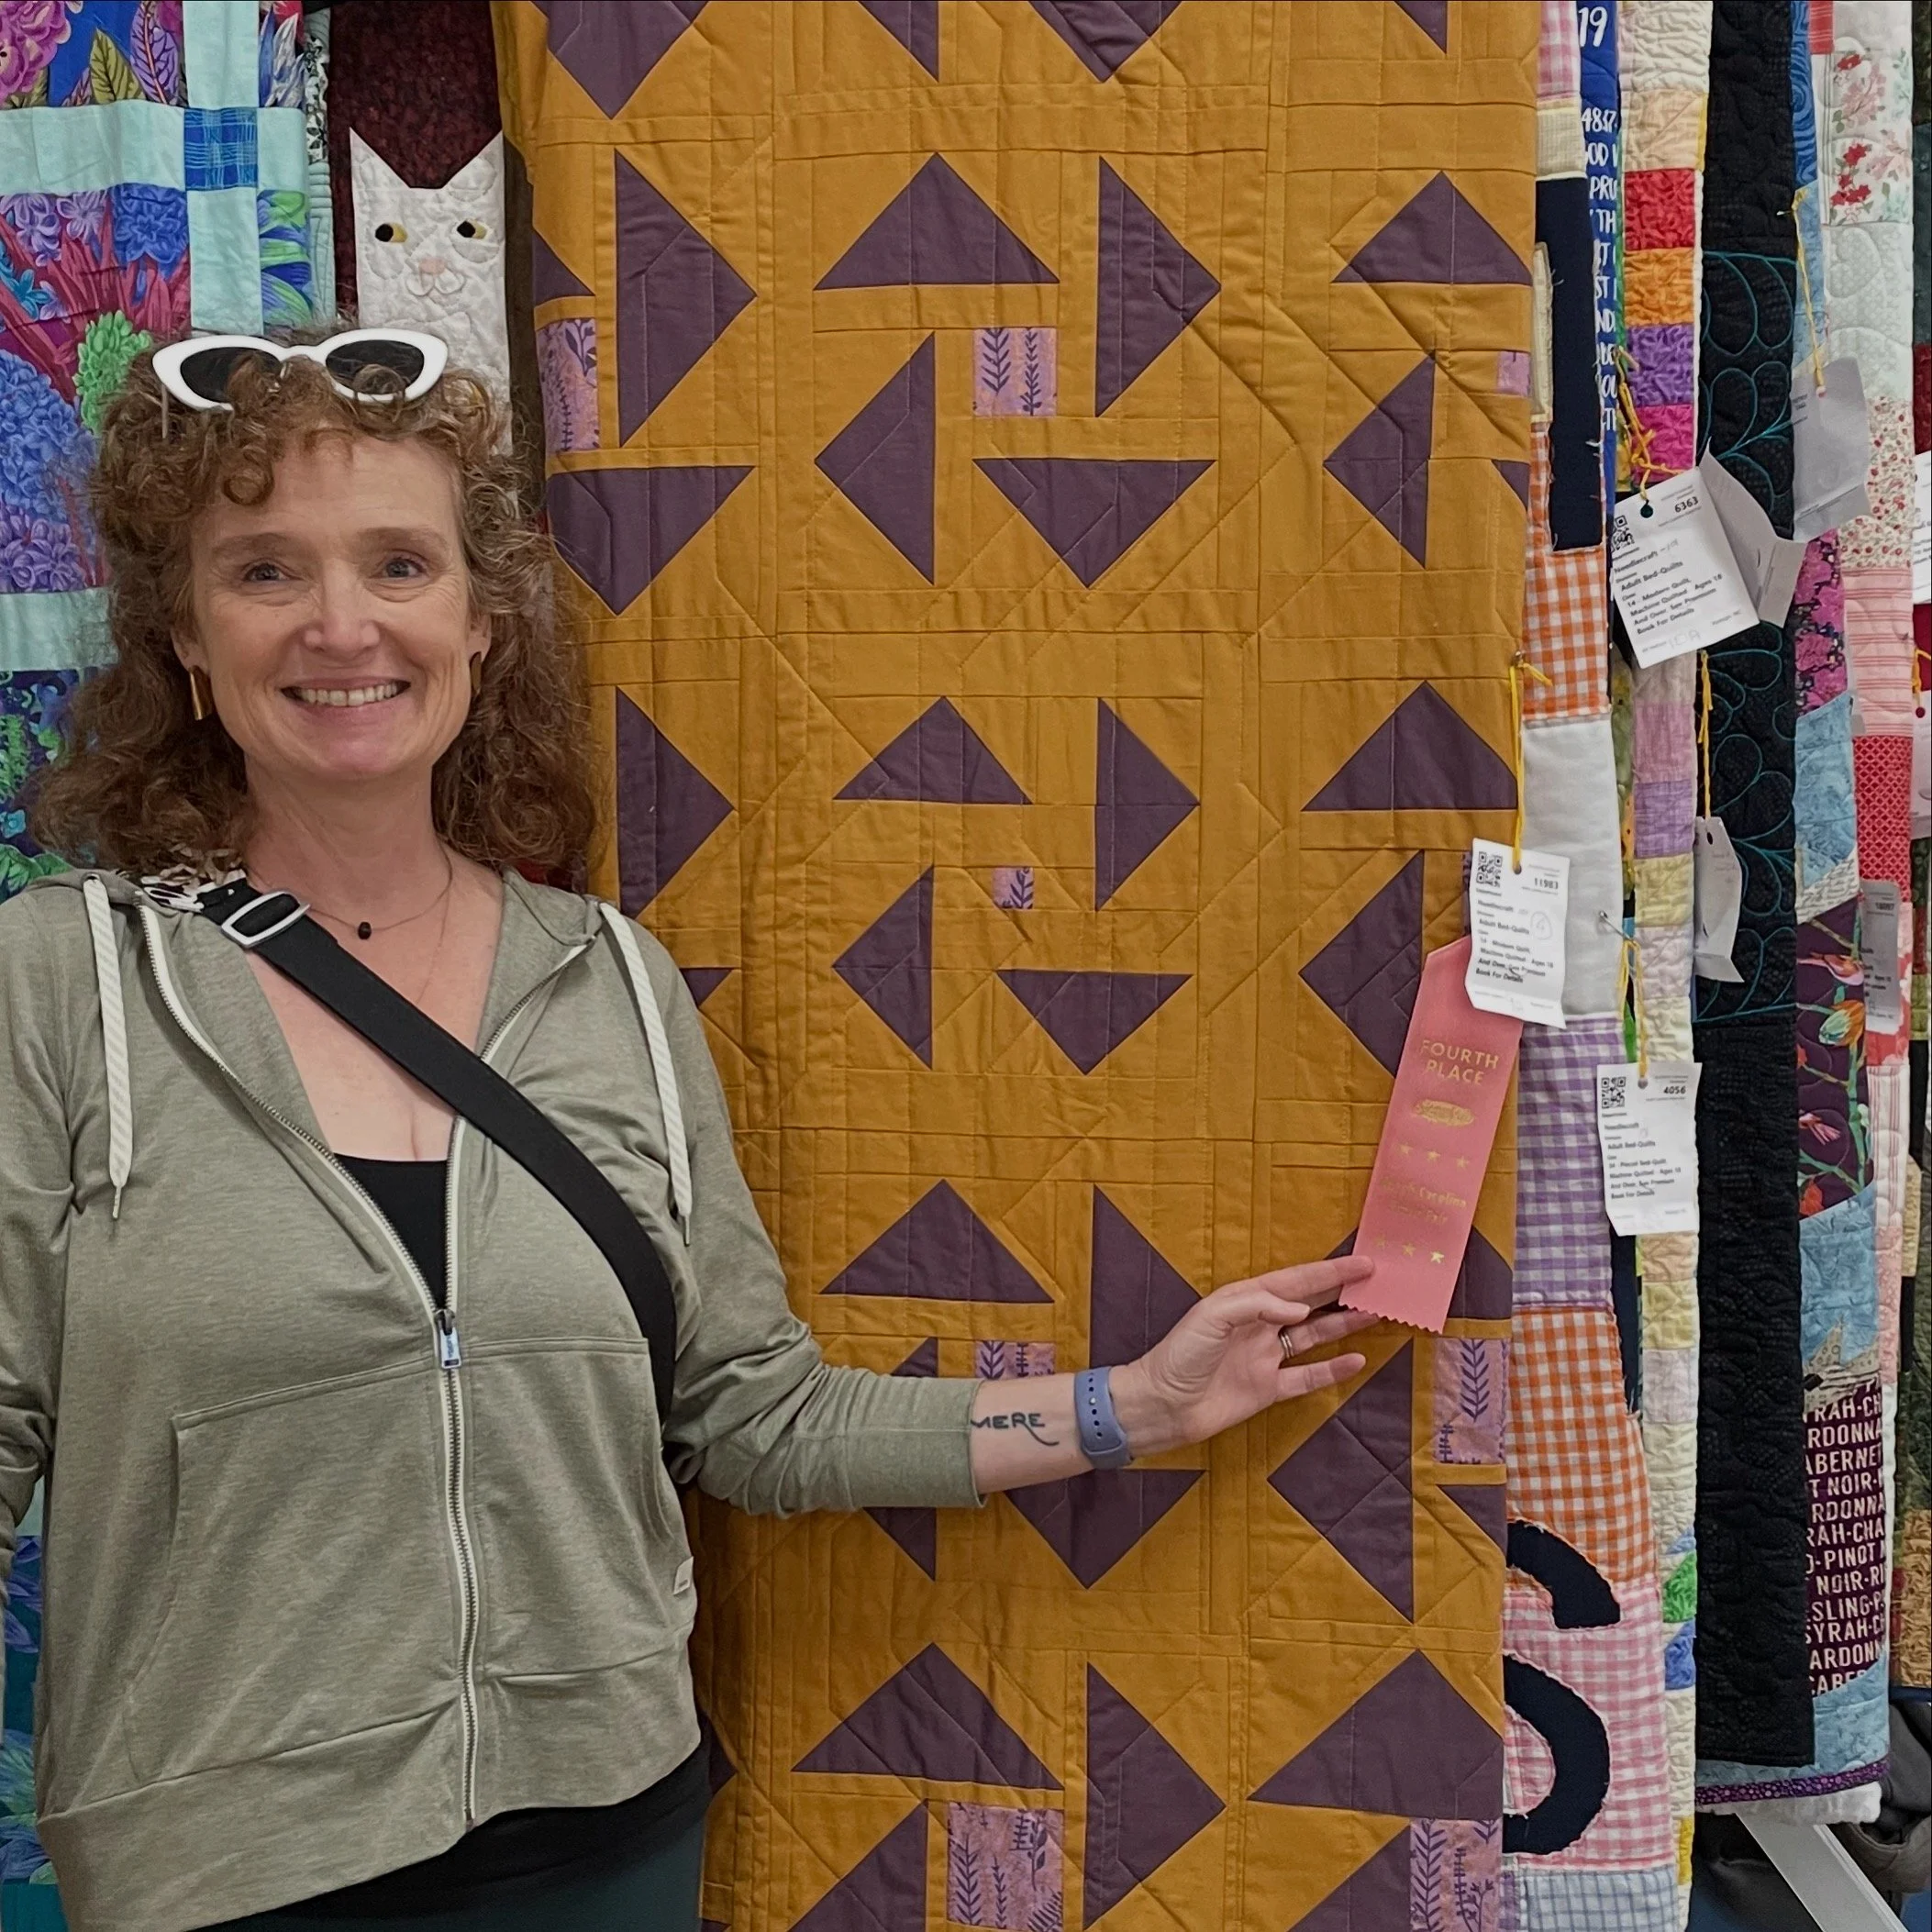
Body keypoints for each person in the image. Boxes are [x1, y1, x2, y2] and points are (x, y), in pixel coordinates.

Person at [3, 328, 1379, 1932]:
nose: (342, 624)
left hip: (610, 1833)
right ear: (183, 634)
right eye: (264, 571)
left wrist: (1134, 1404)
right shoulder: (65, 981)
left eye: (398, 562)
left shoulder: (613, 988)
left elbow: (751, 1415)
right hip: (223, 1869)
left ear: (478, 615)